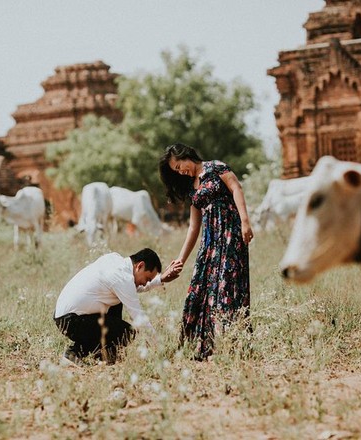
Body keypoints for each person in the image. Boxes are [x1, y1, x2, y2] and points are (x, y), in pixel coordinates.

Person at [159, 143, 254, 360]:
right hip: (209, 245)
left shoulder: (216, 167)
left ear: (185, 155)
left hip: (230, 238)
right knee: (200, 290)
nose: (180, 171)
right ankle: (200, 346)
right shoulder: (193, 188)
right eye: (176, 171)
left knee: (227, 288)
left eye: (179, 165)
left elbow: (236, 188)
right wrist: (180, 260)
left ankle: (232, 346)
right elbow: (193, 227)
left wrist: (245, 222)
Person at [54, 248, 183, 366]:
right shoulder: (122, 278)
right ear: (140, 266)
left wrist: (160, 279)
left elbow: (132, 288)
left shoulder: (115, 260)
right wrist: (161, 351)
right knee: (126, 332)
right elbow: (139, 319)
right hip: (71, 321)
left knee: (118, 302)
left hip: (64, 316)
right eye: (147, 278)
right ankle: (74, 353)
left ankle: (104, 352)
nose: (145, 283)